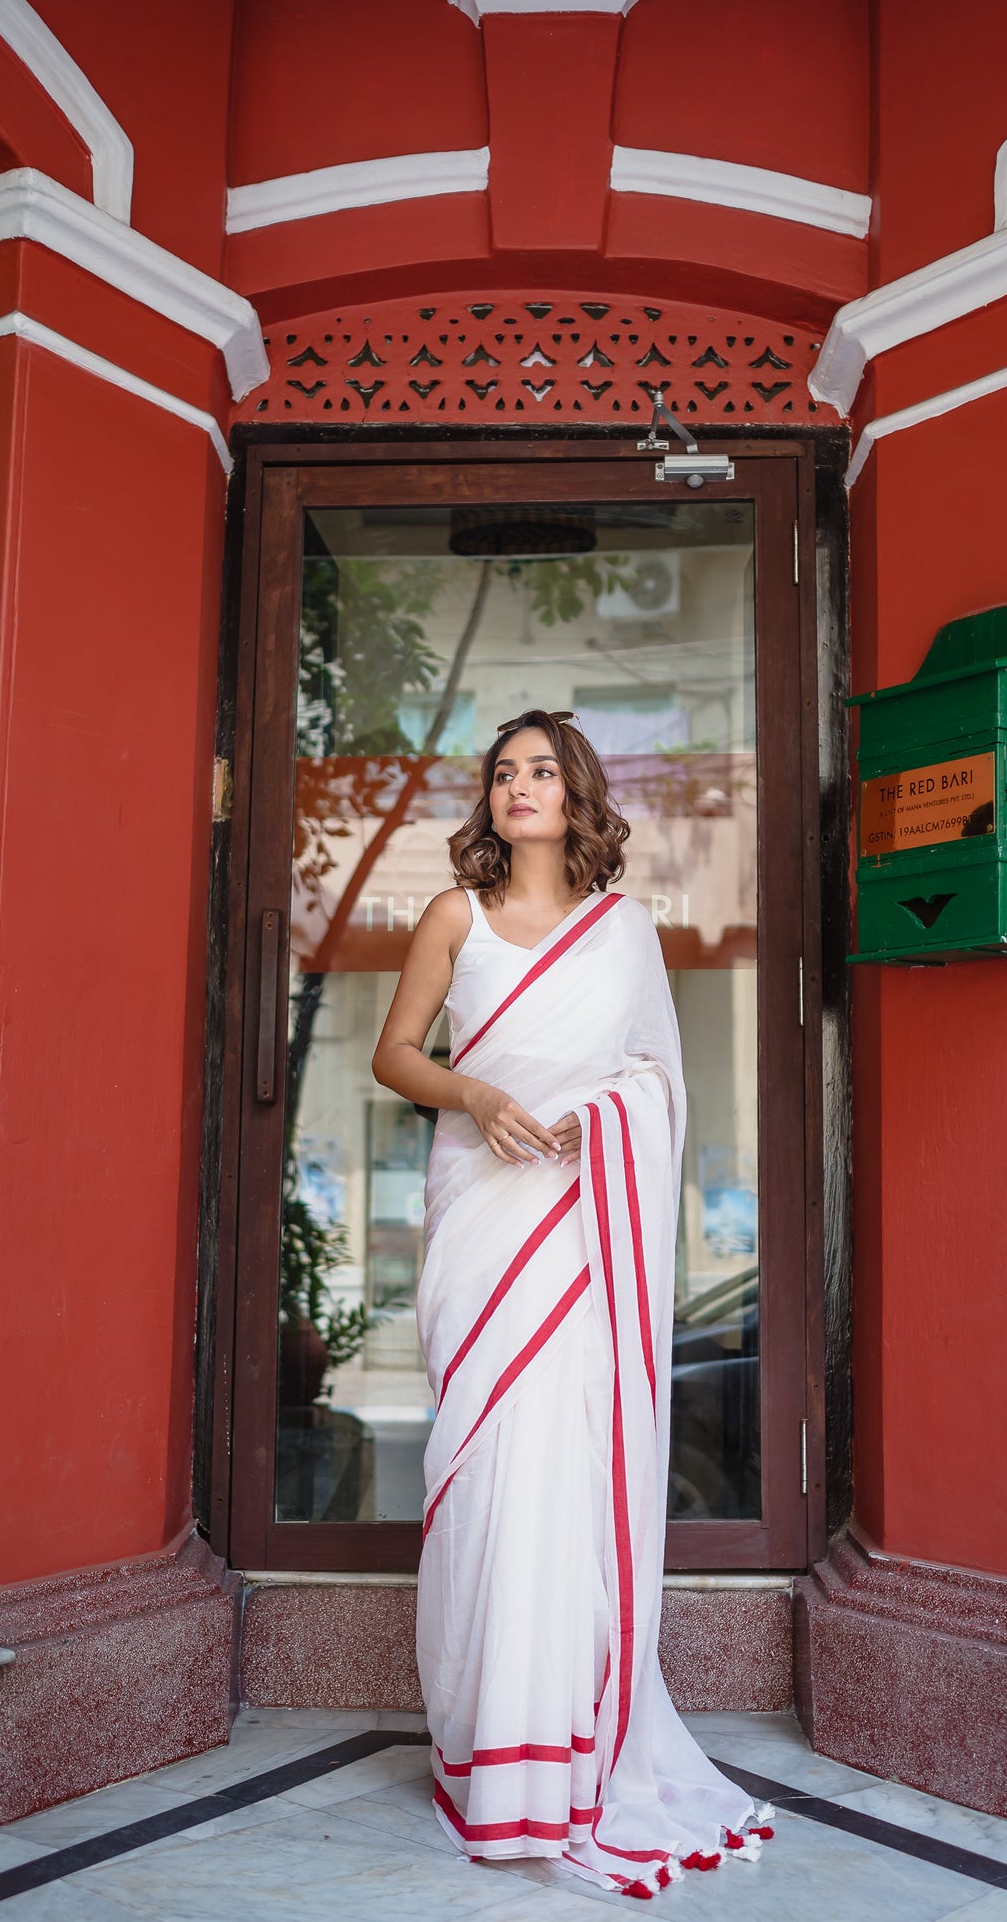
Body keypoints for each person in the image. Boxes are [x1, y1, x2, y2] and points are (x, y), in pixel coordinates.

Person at [371, 708, 774, 1899]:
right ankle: (484, 1745)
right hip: (484, 1220)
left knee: (564, 1476)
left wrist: (600, 1125)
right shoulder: (456, 913)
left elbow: (654, 1077)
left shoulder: (624, 931)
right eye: (502, 773)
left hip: (582, 1233)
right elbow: (395, 1053)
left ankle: (561, 1748)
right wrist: (478, 1093)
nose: (518, 787)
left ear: (578, 793)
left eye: (541, 770)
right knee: (486, 1469)